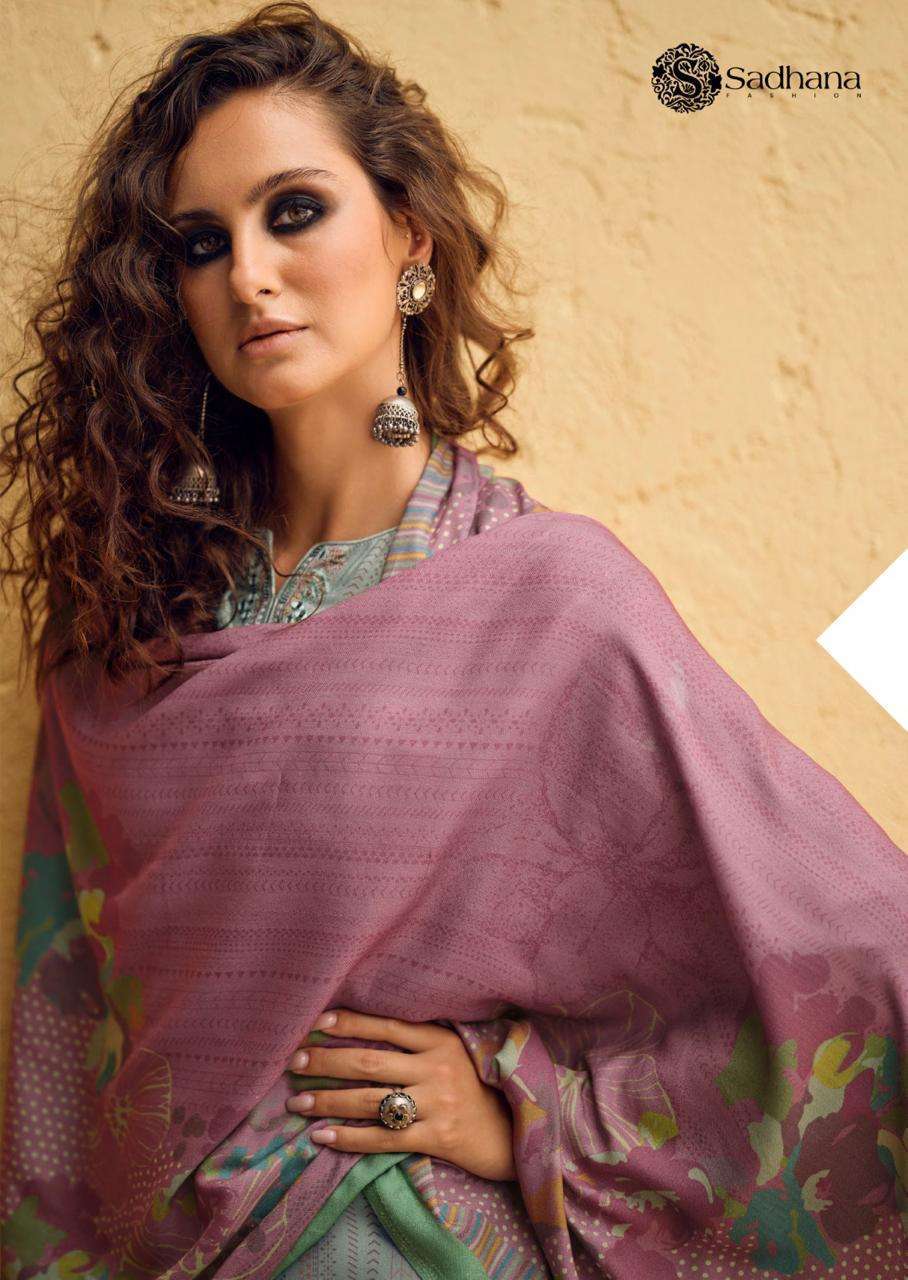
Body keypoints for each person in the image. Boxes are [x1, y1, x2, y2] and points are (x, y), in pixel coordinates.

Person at [0, 5, 905, 1280]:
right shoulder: (126, 625)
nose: (248, 273)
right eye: (202, 243)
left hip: (403, 1241)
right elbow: (71, 1019)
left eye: (294, 211)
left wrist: (526, 1108)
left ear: (407, 237)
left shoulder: (550, 602)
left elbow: (853, 956)